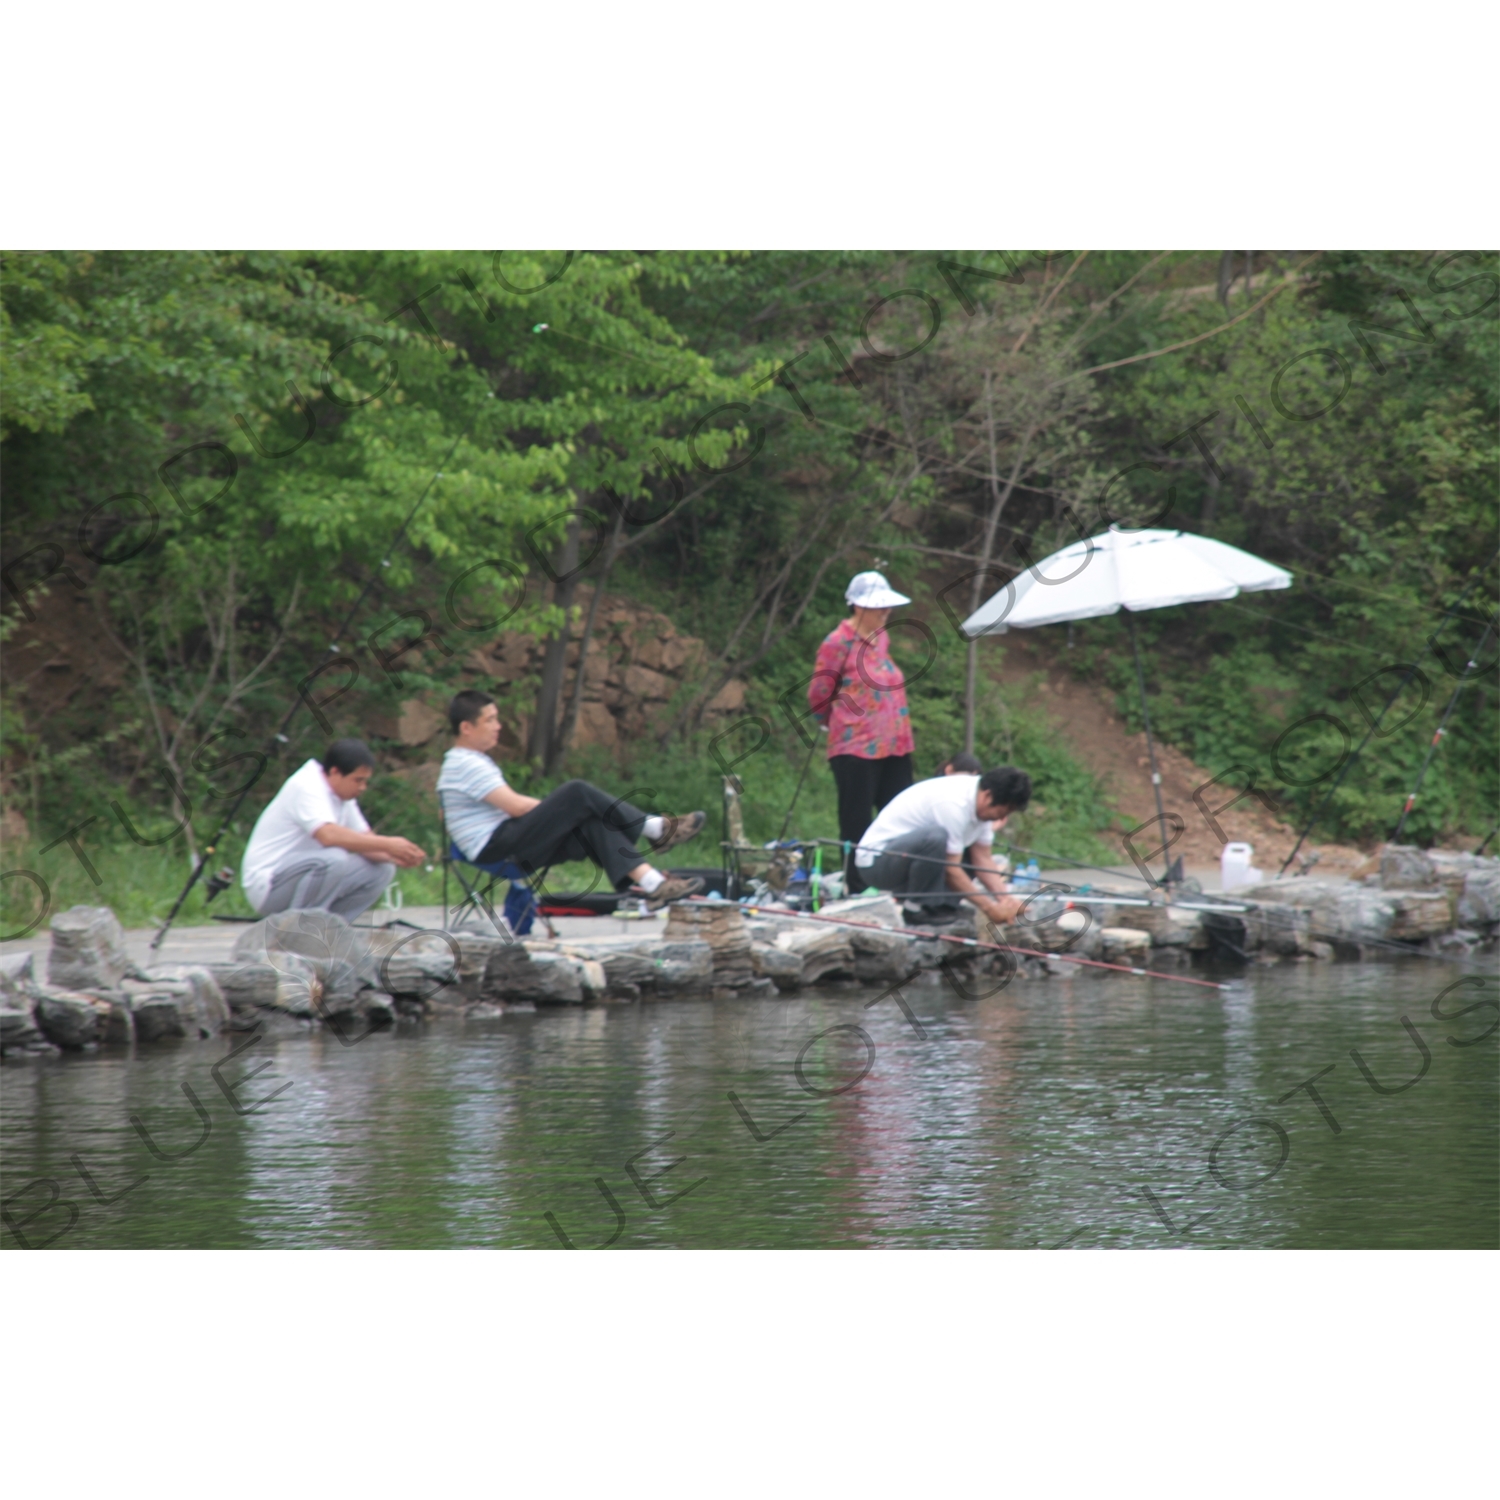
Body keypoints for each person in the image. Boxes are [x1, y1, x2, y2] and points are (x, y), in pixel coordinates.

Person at [436, 691, 705, 911]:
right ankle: (655, 829)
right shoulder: (464, 764)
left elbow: (507, 807)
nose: (498, 726)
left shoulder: (469, 762)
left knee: (592, 823)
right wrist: (558, 810)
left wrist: (558, 813)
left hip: (505, 844)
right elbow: (516, 807)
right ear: (466, 728)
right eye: (490, 720)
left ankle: (654, 884)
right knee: (576, 792)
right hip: (498, 849)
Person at [240, 739, 427, 919]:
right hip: (269, 887)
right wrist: (388, 844)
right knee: (334, 859)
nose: (363, 787)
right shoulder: (307, 786)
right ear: (335, 772)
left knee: (382, 869)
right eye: (358, 780)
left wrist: (398, 855)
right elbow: (327, 835)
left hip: (308, 878)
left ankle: (331, 929)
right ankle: (299, 932)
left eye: (366, 781)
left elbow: (366, 839)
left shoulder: (343, 796)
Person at [809, 571, 916, 883]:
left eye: (887, 606)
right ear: (857, 607)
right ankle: (856, 885)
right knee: (857, 822)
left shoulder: (882, 637)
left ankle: (897, 881)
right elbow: (819, 691)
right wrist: (828, 722)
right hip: (855, 746)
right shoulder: (837, 642)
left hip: (895, 744)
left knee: (899, 816)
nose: (885, 612)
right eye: (878, 607)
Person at [854, 765, 1033, 927]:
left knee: (964, 852)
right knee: (935, 838)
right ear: (988, 796)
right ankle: (915, 909)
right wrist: (989, 908)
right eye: (1002, 812)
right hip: (878, 865)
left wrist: (1005, 900)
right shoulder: (953, 804)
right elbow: (950, 869)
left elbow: (982, 859)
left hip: (908, 863)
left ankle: (943, 908)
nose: (1000, 819)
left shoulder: (983, 802)